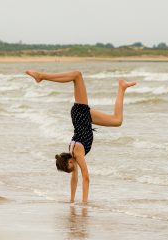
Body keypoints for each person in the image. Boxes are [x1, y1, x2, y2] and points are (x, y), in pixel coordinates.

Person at [25, 70, 136, 203]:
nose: (73, 171)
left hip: (81, 114)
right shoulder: (72, 153)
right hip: (83, 119)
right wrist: (71, 201)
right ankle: (122, 87)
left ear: (70, 162)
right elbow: (75, 179)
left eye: (70, 169)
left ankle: (41, 76)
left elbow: (86, 177)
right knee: (117, 121)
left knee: (77, 76)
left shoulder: (77, 152)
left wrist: (84, 203)